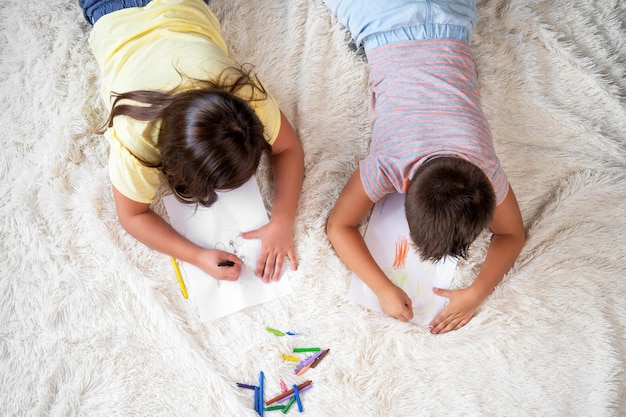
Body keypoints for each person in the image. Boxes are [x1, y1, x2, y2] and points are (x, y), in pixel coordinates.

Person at [323, 0, 526, 334]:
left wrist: (475, 293)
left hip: (451, 17)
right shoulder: (390, 160)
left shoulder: (483, 168)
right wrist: (381, 288)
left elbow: (512, 233)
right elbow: (339, 226)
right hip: (381, 19)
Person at [79, 0, 304, 283]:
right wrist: (195, 255)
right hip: (112, 10)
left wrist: (282, 220)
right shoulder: (136, 141)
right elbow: (132, 216)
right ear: (170, 163)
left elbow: (287, 147)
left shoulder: (245, 96)